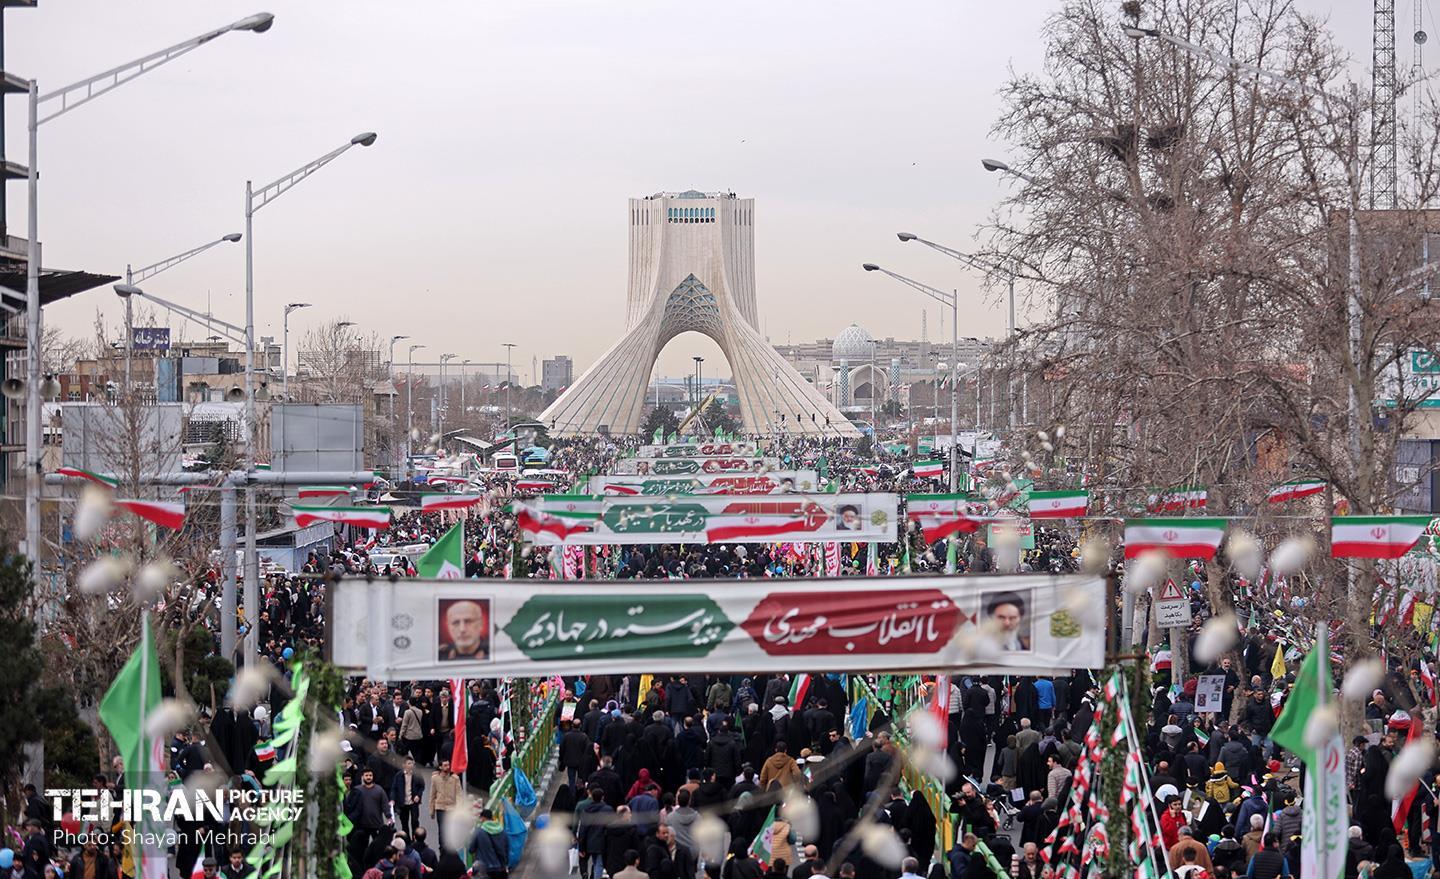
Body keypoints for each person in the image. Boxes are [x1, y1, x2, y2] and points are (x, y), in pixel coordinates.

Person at [468, 808, 510, 879]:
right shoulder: (502, 831)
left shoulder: (478, 832)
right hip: (500, 868)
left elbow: (471, 850)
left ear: (483, 818)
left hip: (484, 870)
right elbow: (507, 849)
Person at [430, 758, 461, 850]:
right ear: (440, 767)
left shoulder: (455, 778)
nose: (447, 767)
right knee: (442, 830)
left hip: (452, 807)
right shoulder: (435, 779)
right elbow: (432, 795)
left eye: (448, 765)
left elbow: (459, 794)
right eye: (445, 765)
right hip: (440, 807)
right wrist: (431, 810)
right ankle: (442, 847)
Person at [390, 756, 425, 837]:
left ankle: (415, 838)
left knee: (415, 821)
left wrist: (418, 795)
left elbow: (422, 786)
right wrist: (392, 799)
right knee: (404, 822)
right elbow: (394, 788)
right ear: (404, 765)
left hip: (413, 802)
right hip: (403, 802)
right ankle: (407, 840)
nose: (411, 765)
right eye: (409, 763)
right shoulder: (399, 775)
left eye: (412, 763)